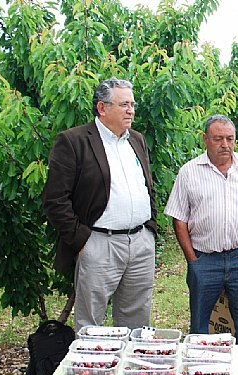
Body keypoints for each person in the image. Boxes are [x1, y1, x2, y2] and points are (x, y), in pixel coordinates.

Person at [43, 77, 158, 334]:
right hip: (99, 243)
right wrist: (82, 240)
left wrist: (150, 228)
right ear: (102, 108)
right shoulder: (74, 141)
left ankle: (131, 371)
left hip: (140, 242)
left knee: (137, 322)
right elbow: (55, 199)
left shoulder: (136, 140)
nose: (131, 110)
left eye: (132, 104)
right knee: (91, 323)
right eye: (123, 104)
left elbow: (148, 187)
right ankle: (92, 371)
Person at [164, 114, 238, 343]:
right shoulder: (189, 172)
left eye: (230, 139)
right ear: (205, 139)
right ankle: (202, 370)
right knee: (200, 323)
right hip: (205, 260)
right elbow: (179, 219)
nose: (225, 145)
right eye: (218, 139)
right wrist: (192, 258)